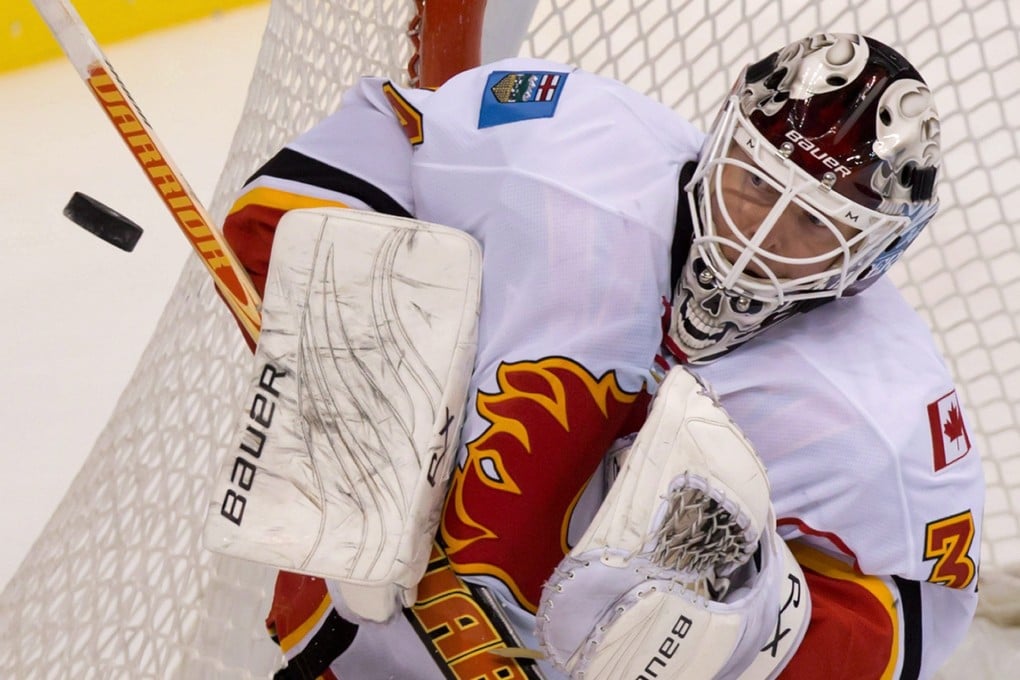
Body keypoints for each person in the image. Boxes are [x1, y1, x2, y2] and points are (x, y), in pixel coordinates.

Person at [218, 32, 983, 679]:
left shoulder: (886, 419)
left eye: (814, 226)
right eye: (753, 184)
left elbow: (916, 622)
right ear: (720, 138)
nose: (759, 239)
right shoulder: (557, 149)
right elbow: (322, 179)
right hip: (348, 648)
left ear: (876, 255)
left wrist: (762, 625)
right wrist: (354, 380)